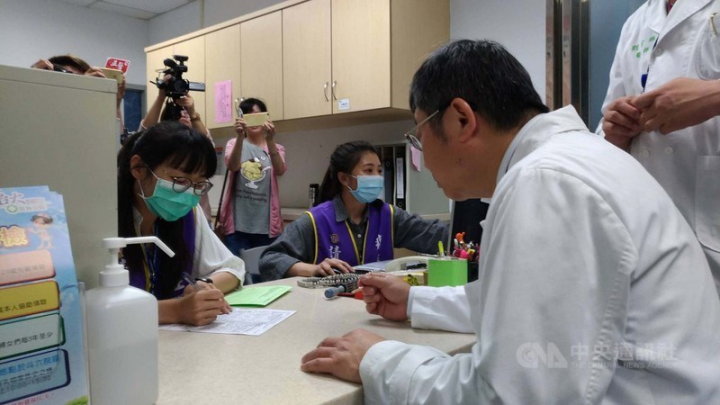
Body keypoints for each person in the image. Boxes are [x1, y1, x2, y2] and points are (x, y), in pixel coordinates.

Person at [300, 40, 720, 404]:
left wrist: (376, 359)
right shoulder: (571, 161)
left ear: (461, 119)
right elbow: (521, 304)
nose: (421, 157)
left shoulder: (546, 182)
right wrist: (414, 301)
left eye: (418, 133)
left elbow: (509, 396)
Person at [598, 0, 720, 295]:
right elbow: (608, 122)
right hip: (650, 247)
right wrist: (614, 130)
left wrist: (712, 96)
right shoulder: (638, 22)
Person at [259, 141, 448, 280]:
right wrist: (312, 269)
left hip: (375, 305)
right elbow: (270, 259)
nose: (377, 177)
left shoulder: (388, 215)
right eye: (368, 171)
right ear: (344, 179)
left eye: (379, 171)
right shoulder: (316, 220)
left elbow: (433, 234)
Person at [118, 121, 245, 326]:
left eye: (199, 184)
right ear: (138, 168)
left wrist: (203, 286)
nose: (188, 193)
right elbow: (90, 306)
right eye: (180, 180)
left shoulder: (189, 213)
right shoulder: (104, 218)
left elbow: (233, 269)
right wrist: (176, 310)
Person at [219, 98, 286, 259]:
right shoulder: (234, 143)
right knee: (239, 276)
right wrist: (240, 137)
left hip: (267, 227)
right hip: (238, 226)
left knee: (266, 275)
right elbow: (232, 166)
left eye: (258, 115)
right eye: (249, 116)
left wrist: (270, 140)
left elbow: (280, 170)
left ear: (266, 117)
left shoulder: (277, 148)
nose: (254, 120)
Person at [140, 78, 213, 222]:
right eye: (178, 114)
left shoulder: (199, 142)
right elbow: (144, 134)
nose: (184, 116)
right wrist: (161, 97)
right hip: (162, 210)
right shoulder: (162, 144)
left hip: (198, 215)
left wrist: (192, 112)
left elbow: (207, 149)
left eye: (186, 114)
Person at [32, 54, 126, 134]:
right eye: (73, 80)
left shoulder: (88, 121)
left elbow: (116, 147)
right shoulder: (39, 115)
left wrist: (115, 104)